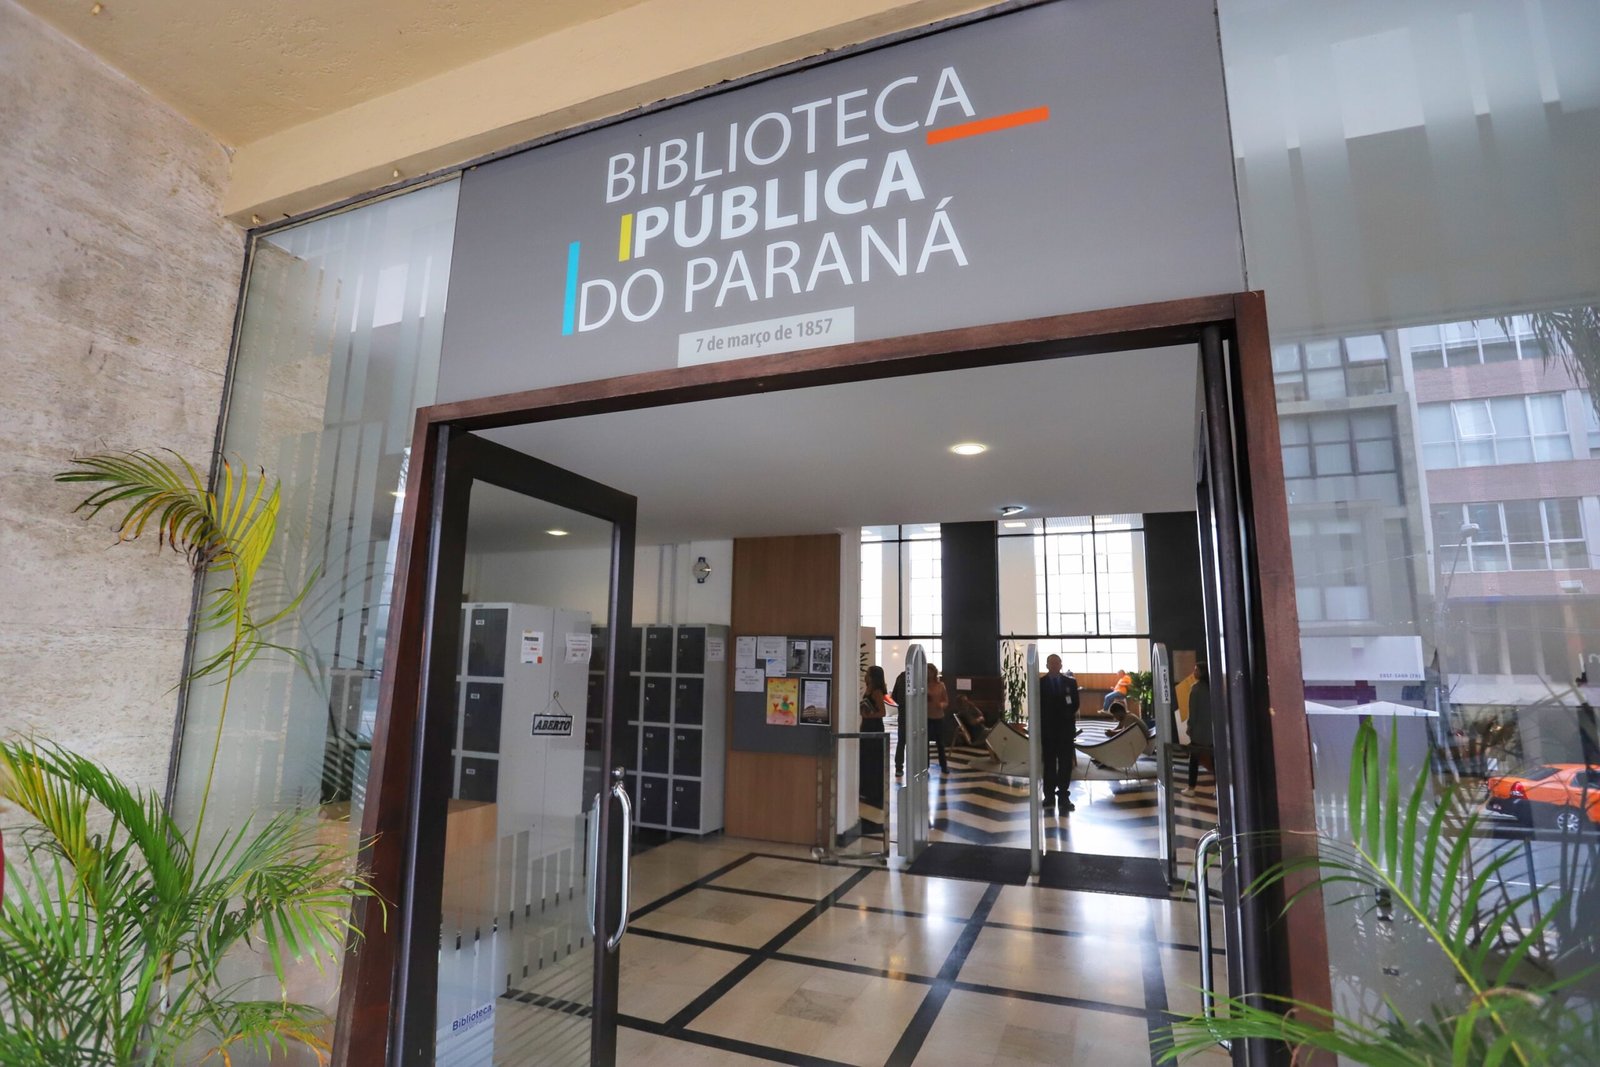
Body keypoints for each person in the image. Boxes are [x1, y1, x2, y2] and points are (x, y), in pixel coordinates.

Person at [1038, 653, 1080, 812]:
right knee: (1049, 763)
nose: (1055, 665)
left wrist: (1065, 715)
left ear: (1061, 665)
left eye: (1057, 663)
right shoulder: (1040, 683)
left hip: (1065, 730)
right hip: (1048, 731)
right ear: (1047, 665)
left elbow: (1075, 703)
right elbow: (1038, 706)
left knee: (1065, 764)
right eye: (1052, 663)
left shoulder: (1070, 682)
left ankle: (1063, 796)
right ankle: (1048, 796)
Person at [1181, 662, 1215, 797]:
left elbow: (1193, 712)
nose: (1194, 672)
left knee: (1194, 760)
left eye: (1196, 670)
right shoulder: (1213, 687)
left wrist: (1190, 728)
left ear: (1202, 672)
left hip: (1199, 731)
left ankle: (1191, 788)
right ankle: (1219, 788)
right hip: (1212, 731)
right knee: (1215, 760)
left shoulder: (1195, 689)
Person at [859, 665, 889, 809]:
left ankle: (874, 791)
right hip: (866, 725)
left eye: (868, 673)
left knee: (873, 759)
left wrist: (868, 715)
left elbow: (882, 712)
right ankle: (866, 789)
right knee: (866, 757)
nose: (866, 675)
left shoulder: (876, 691)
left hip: (874, 726)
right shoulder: (869, 688)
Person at [926, 663, 951, 772]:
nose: (929, 673)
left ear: (934, 672)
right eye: (927, 671)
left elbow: (946, 701)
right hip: (926, 717)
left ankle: (943, 765)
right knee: (925, 742)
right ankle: (925, 766)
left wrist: (941, 705)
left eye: (930, 671)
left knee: (940, 742)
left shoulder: (941, 685)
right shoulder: (923, 685)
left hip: (938, 716)